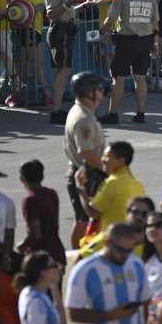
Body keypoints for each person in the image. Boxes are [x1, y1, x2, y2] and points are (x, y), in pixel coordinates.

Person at [65, 222, 151, 324]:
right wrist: (109, 316)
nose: (125, 255)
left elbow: (146, 302)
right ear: (107, 243)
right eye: (121, 250)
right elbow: (74, 314)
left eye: (129, 250)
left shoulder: (136, 264)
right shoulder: (85, 270)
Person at [99, 0, 158, 125]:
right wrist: (154, 44)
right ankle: (140, 114)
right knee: (140, 77)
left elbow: (110, 20)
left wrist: (102, 31)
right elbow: (155, 25)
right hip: (145, 41)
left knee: (118, 78)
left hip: (127, 41)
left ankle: (113, 114)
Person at [64, 71, 108, 248]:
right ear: (90, 93)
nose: (102, 92)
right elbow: (87, 153)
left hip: (86, 171)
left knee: (86, 219)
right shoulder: (83, 120)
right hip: (86, 174)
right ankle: (77, 256)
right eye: (99, 89)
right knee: (83, 219)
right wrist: (107, 171)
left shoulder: (83, 111)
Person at [75, 142, 145, 240]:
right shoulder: (137, 183)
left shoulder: (112, 183)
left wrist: (81, 188)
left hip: (113, 241)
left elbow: (93, 213)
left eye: (108, 156)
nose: (103, 160)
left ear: (121, 160)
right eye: (103, 155)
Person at [45, 0, 85, 125]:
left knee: (63, 71)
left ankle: (57, 108)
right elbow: (51, 13)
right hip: (59, 31)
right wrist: (69, 3)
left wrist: (79, 5)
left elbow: (65, 9)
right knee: (62, 71)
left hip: (65, 31)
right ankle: (56, 111)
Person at [18, 160, 67, 266]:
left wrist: (22, 246)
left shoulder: (30, 200)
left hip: (41, 259)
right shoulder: (51, 193)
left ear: (22, 179)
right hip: (57, 251)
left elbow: (36, 234)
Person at [15, 251, 65, 324]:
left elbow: (61, 322)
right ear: (43, 272)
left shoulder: (33, 293)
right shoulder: (36, 302)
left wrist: (54, 287)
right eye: (54, 265)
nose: (59, 267)